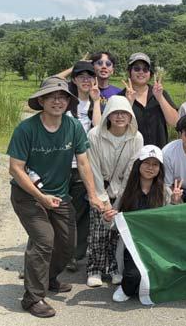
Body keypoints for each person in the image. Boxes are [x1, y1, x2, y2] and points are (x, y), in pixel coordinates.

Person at [7, 76, 103, 318]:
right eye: (52, 96)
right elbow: (16, 168)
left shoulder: (73, 127)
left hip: (60, 196)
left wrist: (93, 195)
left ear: (68, 102)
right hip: (27, 195)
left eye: (62, 97)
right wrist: (40, 196)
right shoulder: (26, 129)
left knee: (67, 244)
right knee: (43, 240)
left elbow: (83, 162)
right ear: (42, 100)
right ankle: (32, 298)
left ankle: (48, 278)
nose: (57, 101)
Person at [101, 145, 183, 302]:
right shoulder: (127, 191)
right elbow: (115, 223)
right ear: (138, 164)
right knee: (133, 277)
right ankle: (126, 285)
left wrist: (174, 202)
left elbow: (172, 221)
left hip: (157, 244)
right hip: (133, 245)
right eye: (146, 163)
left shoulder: (165, 191)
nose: (150, 168)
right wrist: (107, 219)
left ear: (160, 168)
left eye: (155, 164)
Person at [86, 95, 144, 288]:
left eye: (124, 113)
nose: (120, 116)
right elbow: (92, 167)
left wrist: (119, 201)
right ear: (108, 115)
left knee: (116, 232)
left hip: (123, 190)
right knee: (98, 230)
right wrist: (102, 200)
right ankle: (94, 269)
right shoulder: (94, 135)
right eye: (115, 112)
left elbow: (131, 170)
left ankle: (112, 268)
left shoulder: (136, 138)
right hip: (98, 188)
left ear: (130, 116)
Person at [64, 61, 102, 272]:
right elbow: (48, 84)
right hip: (62, 166)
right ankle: (47, 257)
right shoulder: (65, 102)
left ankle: (72, 256)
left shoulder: (97, 105)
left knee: (79, 214)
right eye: (81, 76)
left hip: (83, 166)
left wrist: (96, 102)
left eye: (90, 76)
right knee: (59, 213)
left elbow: (97, 130)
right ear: (74, 79)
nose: (86, 79)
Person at [121, 52, 178, 148]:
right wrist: (128, 103)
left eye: (145, 69)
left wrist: (160, 98)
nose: (141, 72)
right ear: (129, 72)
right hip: (132, 154)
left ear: (150, 73)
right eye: (137, 68)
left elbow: (175, 122)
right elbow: (116, 128)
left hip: (158, 154)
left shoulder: (160, 94)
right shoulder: (120, 97)